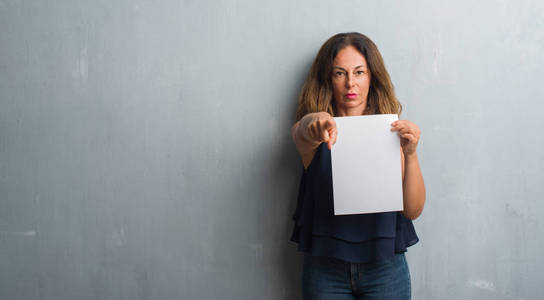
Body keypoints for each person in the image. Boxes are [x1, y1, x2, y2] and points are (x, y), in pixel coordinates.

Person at [290, 32, 426, 299]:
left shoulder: (391, 131)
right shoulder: (315, 134)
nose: (350, 83)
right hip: (325, 270)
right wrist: (316, 121)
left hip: (385, 268)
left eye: (359, 72)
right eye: (340, 73)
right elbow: (302, 131)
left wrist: (410, 154)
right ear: (328, 79)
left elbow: (413, 210)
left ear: (371, 76)